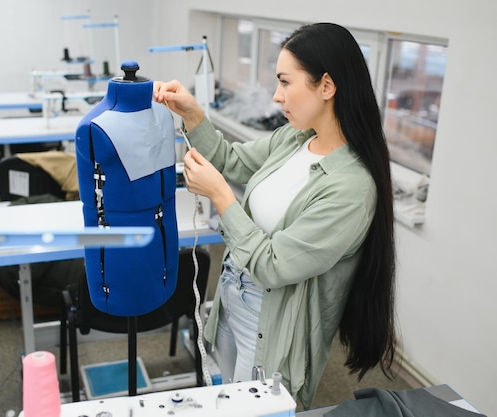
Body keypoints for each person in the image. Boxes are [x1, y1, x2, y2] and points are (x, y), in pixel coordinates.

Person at [153, 22, 397, 409]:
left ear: (327, 87)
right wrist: (194, 114)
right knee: (226, 401)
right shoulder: (296, 138)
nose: (276, 96)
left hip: (272, 320)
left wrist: (220, 196)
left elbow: (275, 265)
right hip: (234, 293)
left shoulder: (352, 189)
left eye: (285, 82)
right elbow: (230, 160)